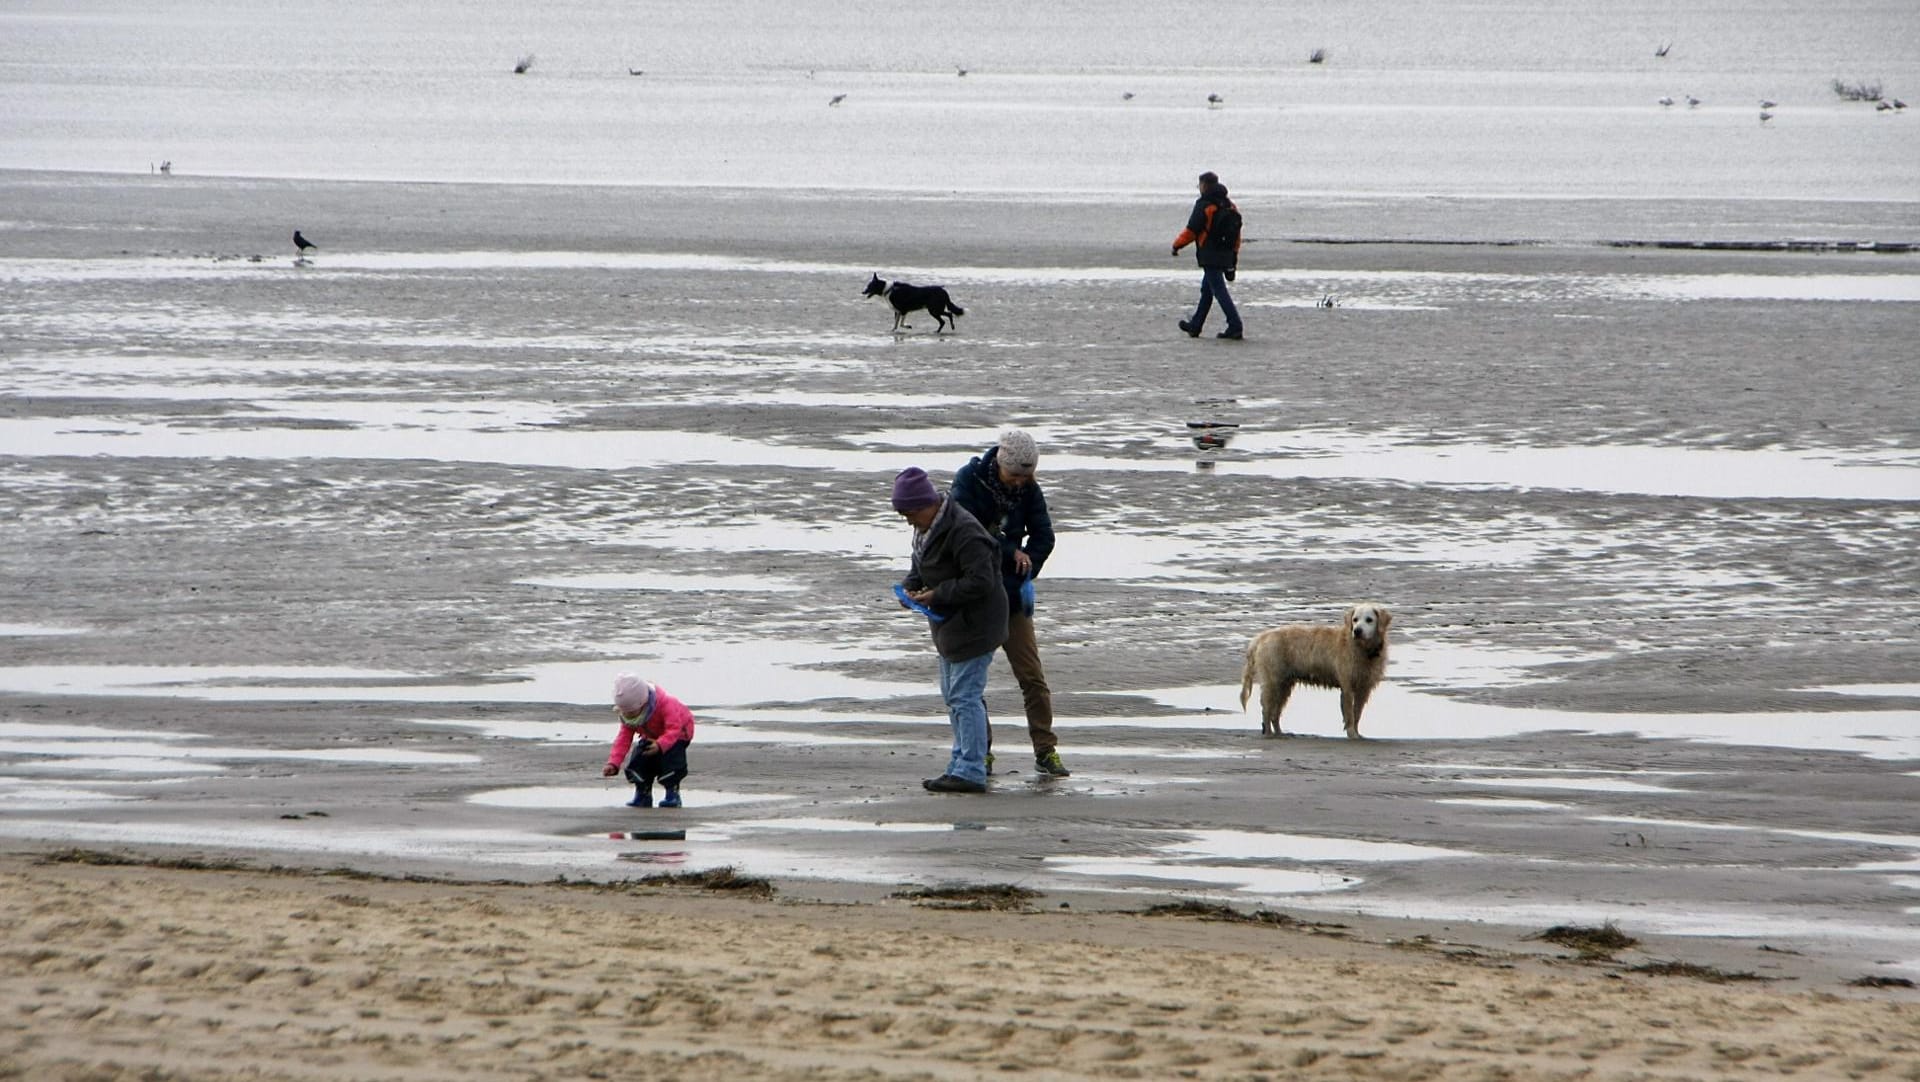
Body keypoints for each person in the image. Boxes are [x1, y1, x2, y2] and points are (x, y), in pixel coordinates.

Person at [949, 429, 1068, 777]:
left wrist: (1027, 564)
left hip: (1014, 597)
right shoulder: (969, 481)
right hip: (975, 596)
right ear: (1000, 464)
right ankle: (980, 752)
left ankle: (1046, 751)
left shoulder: (1030, 489)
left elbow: (1045, 535)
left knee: (1032, 678)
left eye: (1027, 476)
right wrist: (1006, 550)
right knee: (971, 683)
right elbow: (964, 531)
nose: (1020, 483)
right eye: (1015, 475)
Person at [892, 466, 1008, 794]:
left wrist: (937, 594)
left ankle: (971, 770)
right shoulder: (927, 530)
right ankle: (959, 764)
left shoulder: (964, 530)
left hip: (979, 625)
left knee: (964, 696)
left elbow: (982, 580)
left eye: (910, 513)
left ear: (927, 504)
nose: (908, 520)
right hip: (950, 626)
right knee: (953, 696)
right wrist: (910, 588)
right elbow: (919, 568)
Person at [600, 672, 696, 808]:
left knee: (671, 761)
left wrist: (661, 744)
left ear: (643, 703)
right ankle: (643, 793)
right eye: (624, 712)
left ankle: (672, 794)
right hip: (650, 736)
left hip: (679, 734)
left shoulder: (667, 704)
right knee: (639, 759)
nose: (628, 716)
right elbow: (623, 739)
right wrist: (614, 763)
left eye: (632, 712)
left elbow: (674, 729)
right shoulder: (629, 717)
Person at [1171, 170, 1244, 340]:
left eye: (1200, 185)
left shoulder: (1205, 205)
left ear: (1204, 185)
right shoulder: (1229, 205)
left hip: (1210, 254)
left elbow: (1192, 230)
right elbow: (1237, 236)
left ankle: (1235, 325)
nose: (1199, 188)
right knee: (1207, 290)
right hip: (1225, 253)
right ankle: (1196, 325)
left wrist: (1177, 245)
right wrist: (1233, 257)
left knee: (1219, 290)